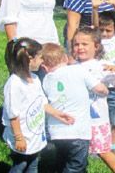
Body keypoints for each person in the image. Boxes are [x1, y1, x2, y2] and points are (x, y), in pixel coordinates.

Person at [2, 38, 74, 173]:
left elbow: (42, 102)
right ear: (29, 59)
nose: (42, 62)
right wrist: (19, 138)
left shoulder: (34, 79)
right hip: (22, 135)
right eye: (40, 58)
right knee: (20, 165)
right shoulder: (14, 84)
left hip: (33, 134)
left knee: (33, 164)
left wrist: (57, 114)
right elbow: (13, 114)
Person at [41, 43, 108, 172]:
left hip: (56, 133)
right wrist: (105, 91)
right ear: (65, 58)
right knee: (76, 165)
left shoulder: (46, 80)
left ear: (44, 67)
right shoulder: (78, 70)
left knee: (63, 161)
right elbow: (99, 88)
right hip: (78, 131)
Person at [71, 27, 115, 173]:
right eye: (76, 44)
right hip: (76, 120)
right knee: (75, 153)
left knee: (104, 151)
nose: (80, 47)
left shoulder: (102, 66)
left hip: (97, 120)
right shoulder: (71, 67)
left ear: (96, 46)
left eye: (84, 44)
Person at [91, 0, 115, 156]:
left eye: (108, 30)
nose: (105, 33)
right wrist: (95, 9)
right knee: (96, 116)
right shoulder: (96, 41)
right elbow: (95, 26)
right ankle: (95, 144)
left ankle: (113, 145)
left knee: (114, 118)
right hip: (99, 86)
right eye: (102, 30)